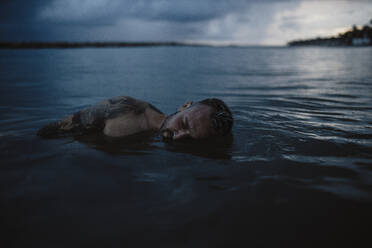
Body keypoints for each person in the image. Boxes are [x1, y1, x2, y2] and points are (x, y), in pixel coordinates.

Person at [37, 96, 233, 140]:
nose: (179, 137)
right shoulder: (124, 108)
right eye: (183, 124)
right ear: (184, 107)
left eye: (189, 138)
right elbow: (51, 131)